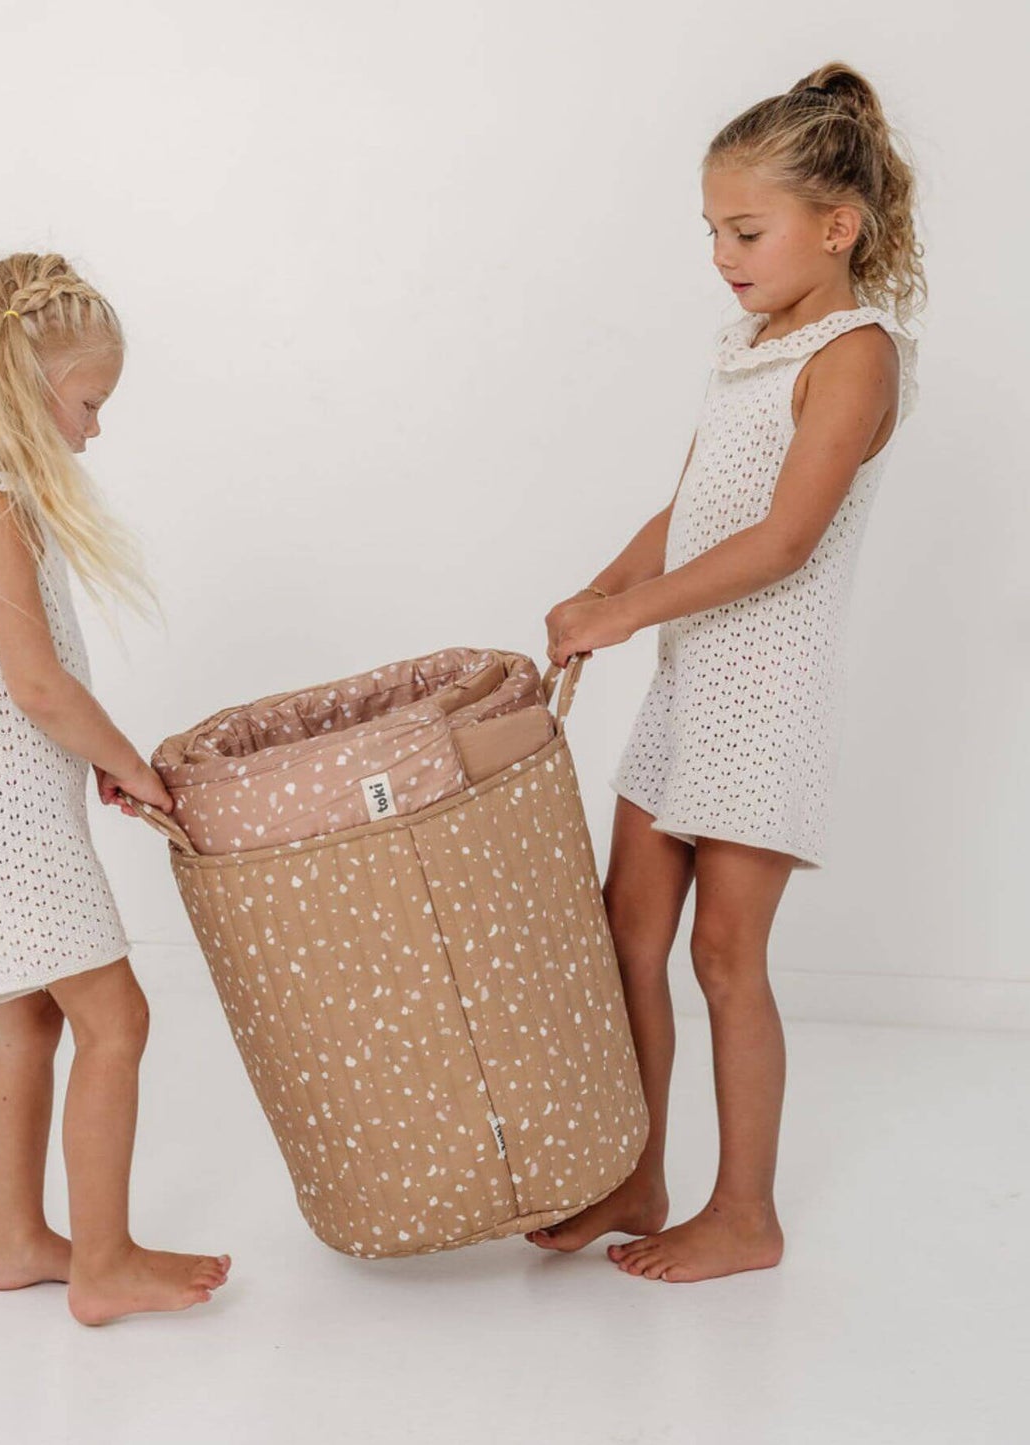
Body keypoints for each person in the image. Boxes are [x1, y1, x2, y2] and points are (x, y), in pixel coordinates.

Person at [529, 63, 924, 1281]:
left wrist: (629, 613)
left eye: (743, 230)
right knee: (625, 927)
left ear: (835, 226)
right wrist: (599, 592)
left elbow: (780, 538)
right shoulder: (754, 341)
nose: (720, 253)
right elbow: (699, 505)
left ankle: (743, 1211)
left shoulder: (855, 354)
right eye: (710, 230)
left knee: (721, 954)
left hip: (767, 697)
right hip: (689, 686)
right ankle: (636, 1171)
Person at [0, 252, 231, 1324]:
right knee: (114, 1017)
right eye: (87, 402)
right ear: (31, 384)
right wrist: (128, 761)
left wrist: (91, 761)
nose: (92, 430)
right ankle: (104, 1260)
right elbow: (36, 684)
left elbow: (5, 688)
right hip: (6, 822)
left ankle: (17, 1238)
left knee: (30, 1022)